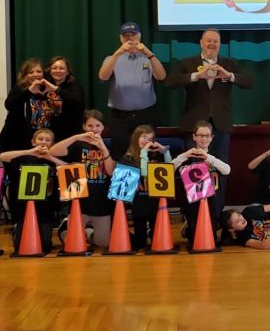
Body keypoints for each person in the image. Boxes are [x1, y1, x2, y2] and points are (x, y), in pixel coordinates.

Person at [166, 28, 254, 163]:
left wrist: (229, 75)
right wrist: (197, 76)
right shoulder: (187, 63)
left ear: (220, 44)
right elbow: (170, 82)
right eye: (209, 40)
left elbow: (249, 82)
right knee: (194, 166)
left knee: (219, 165)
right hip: (194, 124)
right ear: (201, 43)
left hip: (221, 125)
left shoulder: (229, 63)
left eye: (215, 41)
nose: (212, 44)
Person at [98, 22, 167, 160]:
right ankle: (123, 181)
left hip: (146, 115)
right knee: (120, 152)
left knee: (148, 153)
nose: (130, 39)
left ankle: (145, 181)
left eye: (133, 35)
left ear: (139, 37)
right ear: (121, 39)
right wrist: (118, 52)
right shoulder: (112, 58)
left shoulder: (149, 58)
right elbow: (103, 76)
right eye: (126, 36)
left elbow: (161, 76)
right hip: (120, 117)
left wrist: (149, 54)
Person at [49, 110, 116, 249]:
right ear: (84, 127)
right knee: (73, 243)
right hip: (79, 199)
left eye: (98, 125)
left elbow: (110, 171)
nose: (94, 129)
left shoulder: (110, 145)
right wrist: (76, 137)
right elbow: (52, 151)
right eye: (90, 125)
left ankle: (89, 232)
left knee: (104, 243)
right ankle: (65, 229)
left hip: (101, 201)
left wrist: (102, 147)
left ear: (103, 127)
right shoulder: (78, 144)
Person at [0, 128, 67, 251]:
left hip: (46, 209)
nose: (43, 142)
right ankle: (17, 230)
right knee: (20, 247)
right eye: (40, 139)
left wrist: (50, 157)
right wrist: (29, 152)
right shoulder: (24, 157)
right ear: (33, 142)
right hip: (24, 208)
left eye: (48, 140)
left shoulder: (53, 160)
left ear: (52, 144)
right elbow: (3, 156)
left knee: (45, 246)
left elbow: (69, 169)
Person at [172, 121, 231, 246]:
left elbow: (227, 170)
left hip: (214, 200)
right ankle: (189, 229)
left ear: (212, 137)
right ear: (194, 137)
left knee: (211, 240)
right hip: (193, 201)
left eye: (207, 135)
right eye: (200, 135)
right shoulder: (187, 155)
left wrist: (208, 157)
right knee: (195, 240)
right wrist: (183, 156)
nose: (204, 138)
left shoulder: (216, 155)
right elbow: (167, 170)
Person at [119, 125, 172, 250]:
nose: (147, 141)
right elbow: (144, 173)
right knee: (140, 243)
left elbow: (170, 169)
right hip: (139, 201)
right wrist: (143, 153)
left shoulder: (155, 155)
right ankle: (143, 234)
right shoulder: (129, 157)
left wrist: (165, 152)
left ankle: (151, 232)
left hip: (154, 200)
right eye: (143, 137)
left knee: (157, 239)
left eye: (150, 138)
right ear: (135, 138)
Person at [0, 58, 56, 153]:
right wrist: (29, 91)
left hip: (40, 142)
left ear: (43, 74)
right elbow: (9, 105)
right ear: (25, 75)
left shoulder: (48, 90)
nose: (35, 74)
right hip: (15, 142)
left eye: (39, 71)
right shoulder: (19, 88)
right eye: (31, 72)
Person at [46, 56, 86, 141]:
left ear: (67, 71)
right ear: (50, 71)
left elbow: (77, 102)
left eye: (61, 68)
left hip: (70, 133)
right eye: (54, 68)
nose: (58, 71)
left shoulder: (75, 86)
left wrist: (56, 89)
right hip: (49, 133)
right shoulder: (44, 85)